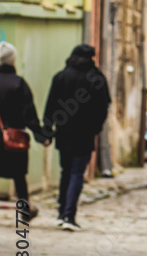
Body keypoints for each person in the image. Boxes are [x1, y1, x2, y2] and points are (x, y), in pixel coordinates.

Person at [43, 44, 111, 231]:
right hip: (85, 134)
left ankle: (61, 211)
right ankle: (69, 214)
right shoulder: (96, 79)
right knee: (76, 172)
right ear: (92, 58)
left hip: (64, 132)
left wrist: (48, 130)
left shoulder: (61, 76)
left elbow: (51, 105)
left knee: (66, 171)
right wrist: (95, 128)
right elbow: (103, 107)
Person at [0, 42, 51, 219]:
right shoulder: (19, 84)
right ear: (12, 61)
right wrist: (42, 136)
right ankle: (24, 211)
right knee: (19, 176)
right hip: (14, 138)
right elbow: (29, 114)